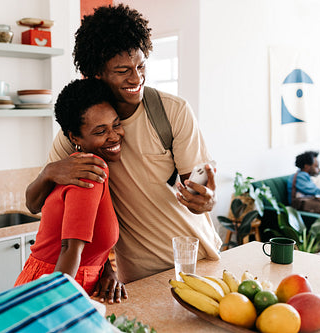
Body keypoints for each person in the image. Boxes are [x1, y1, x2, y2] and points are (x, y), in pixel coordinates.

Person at [25, 4, 222, 284]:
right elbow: (35, 205)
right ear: (97, 73)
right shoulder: (79, 134)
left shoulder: (172, 111)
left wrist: (207, 200)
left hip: (195, 263)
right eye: (122, 70)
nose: (136, 78)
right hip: (138, 278)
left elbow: (196, 195)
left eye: (141, 66)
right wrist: (49, 172)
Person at [14, 78, 127, 304]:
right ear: (75, 138)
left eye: (116, 124)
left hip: (61, 280)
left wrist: (107, 269)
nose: (114, 136)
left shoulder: (79, 165)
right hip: (58, 284)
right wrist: (56, 310)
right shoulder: (90, 169)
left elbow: (88, 238)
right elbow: (70, 249)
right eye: (100, 131)